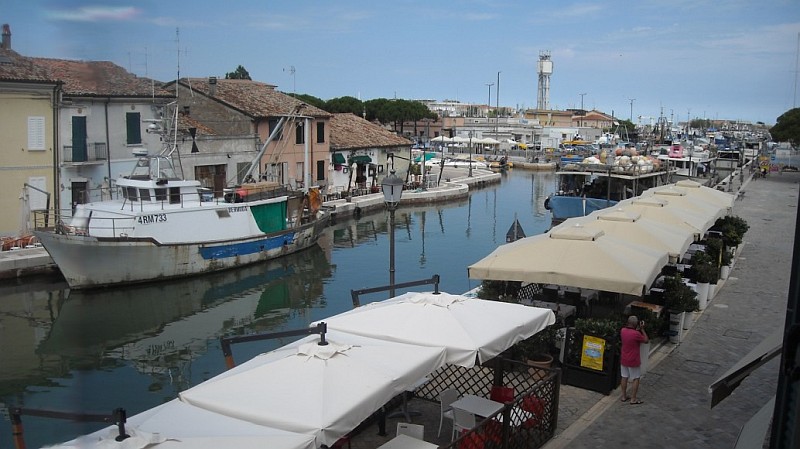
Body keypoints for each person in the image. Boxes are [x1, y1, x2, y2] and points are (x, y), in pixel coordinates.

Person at [620, 315, 648, 404]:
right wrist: (642, 329)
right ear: (636, 324)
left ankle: (624, 396)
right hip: (633, 360)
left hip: (624, 358)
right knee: (636, 378)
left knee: (624, 377)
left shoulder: (623, 331)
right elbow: (646, 340)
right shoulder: (636, 334)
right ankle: (633, 398)